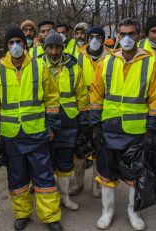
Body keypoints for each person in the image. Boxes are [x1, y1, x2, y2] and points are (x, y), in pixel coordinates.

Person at [90, 18, 156, 231]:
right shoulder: (106, 62)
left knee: (134, 173)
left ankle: (134, 211)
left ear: (139, 36)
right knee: (106, 173)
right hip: (109, 128)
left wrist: (152, 129)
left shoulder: (150, 63)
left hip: (136, 130)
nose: (126, 38)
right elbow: (96, 94)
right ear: (117, 36)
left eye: (131, 34)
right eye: (122, 34)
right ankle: (107, 211)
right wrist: (94, 125)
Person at [0, 26, 63, 231]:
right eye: (11, 42)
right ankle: (22, 214)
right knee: (17, 178)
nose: (15, 46)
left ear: (25, 44)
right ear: (6, 46)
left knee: (44, 178)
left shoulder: (39, 67)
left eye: (18, 42)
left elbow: (52, 99)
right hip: (11, 136)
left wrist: (51, 126)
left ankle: (50, 216)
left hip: (37, 133)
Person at [40, 30, 89, 211]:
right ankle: (51, 200)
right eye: (50, 47)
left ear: (62, 48)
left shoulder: (73, 67)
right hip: (44, 122)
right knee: (46, 162)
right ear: (45, 48)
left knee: (65, 162)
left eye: (57, 47)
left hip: (68, 122)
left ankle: (65, 197)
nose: (54, 52)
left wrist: (84, 125)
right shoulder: (36, 66)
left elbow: (82, 98)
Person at [69, 26, 111, 198]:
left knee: (99, 147)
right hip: (83, 108)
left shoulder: (111, 56)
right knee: (79, 147)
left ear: (103, 39)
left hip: (103, 108)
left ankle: (97, 184)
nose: (94, 40)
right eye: (91, 37)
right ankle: (77, 183)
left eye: (98, 37)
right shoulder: (78, 56)